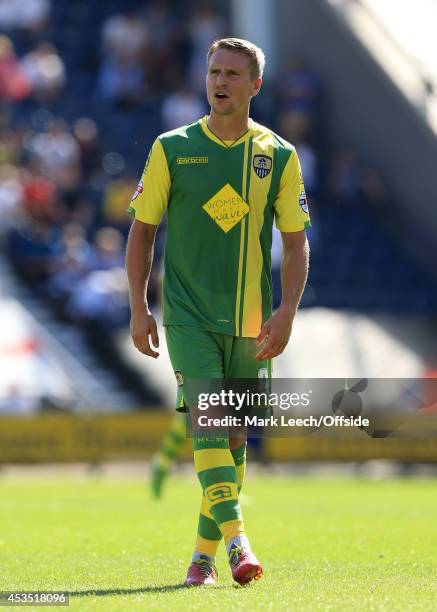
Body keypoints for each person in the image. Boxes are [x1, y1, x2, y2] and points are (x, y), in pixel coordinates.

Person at [126, 38, 310, 587]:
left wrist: (287, 312)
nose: (220, 81)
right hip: (186, 316)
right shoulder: (173, 148)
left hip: (252, 325)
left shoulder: (276, 155)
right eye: (213, 72)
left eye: (232, 73)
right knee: (211, 423)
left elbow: (296, 242)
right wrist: (138, 307)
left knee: (231, 440)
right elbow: (142, 231)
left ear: (255, 85)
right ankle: (239, 544)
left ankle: (201, 559)